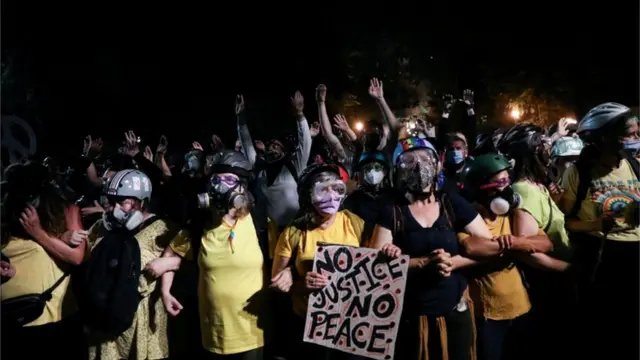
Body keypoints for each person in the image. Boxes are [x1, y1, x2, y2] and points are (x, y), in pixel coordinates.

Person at [369, 137, 492, 360]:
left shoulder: (451, 203)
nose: (418, 165)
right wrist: (423, 263)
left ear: (437, 164)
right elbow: (374, 265)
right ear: (398, 169)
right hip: (412, 317)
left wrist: (454, 263)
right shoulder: (392, 211)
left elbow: (490, 247)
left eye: (425, 158)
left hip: (456, 311)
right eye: (409, 160)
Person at [159, 150, 267, 360]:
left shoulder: (259, 222)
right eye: (216, 179)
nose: (219, 186)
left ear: (242, 188)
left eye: (228, 180)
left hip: (251, 333)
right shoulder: (200, 226)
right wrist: (165, 291)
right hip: (214, 332)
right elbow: (172, 251)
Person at [560, 102, 640, 359]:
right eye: (629, 135)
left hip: (636, 254)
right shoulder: (579, 173)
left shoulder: (635, 166)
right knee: (603, 330)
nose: (636, 140)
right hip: (602, 258)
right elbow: (565, 221)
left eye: (638, 133)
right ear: (605, 138)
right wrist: (595, 224)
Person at [459, 153, 554, 360]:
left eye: (507, 180)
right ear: (482, 187)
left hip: (521, 308)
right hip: (487, 316)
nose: (506, 187)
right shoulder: (467, 218)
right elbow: (472, 248)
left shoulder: (512, 214)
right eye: (500, 182)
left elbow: (545, 243)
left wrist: (513, 242)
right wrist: (516, 248)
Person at [271, 162, 366, 360]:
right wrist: (300, 285)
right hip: (308, 326)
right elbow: (276, 284)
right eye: (323, 189)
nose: (331, 195)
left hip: (350, 324)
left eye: (336, 188)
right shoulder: (293, 233)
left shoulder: (355, 223)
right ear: (308, 195)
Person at [84, 169, 178, 360]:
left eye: (121, 202)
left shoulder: (162, 228)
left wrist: (171, 262)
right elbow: (85, 254)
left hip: (141, 315)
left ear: (141, 202)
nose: (113, 208)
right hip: (106, 311)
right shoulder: (102, 226)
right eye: (110, 201)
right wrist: (69, 237)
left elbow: (191, 256)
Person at [1, 161, 87, 359]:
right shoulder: (8, 215)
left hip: (55, 319)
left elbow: (76, 257)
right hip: (12, 321)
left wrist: (39, 233)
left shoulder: (67, 211)